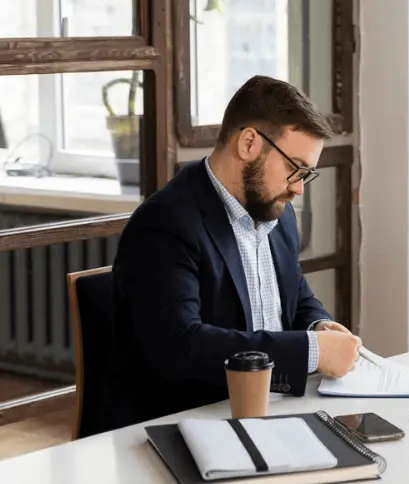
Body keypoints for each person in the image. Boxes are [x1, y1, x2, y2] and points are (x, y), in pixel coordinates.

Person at [105, 75, 361, 430]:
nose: (299, 189)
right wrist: (313, 351)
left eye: (307, 174)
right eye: (294, 168)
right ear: (249, 143)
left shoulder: (276, 209)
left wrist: (318, 325)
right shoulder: (165, 223)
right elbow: (179, 346)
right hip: (188, 428)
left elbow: (295, 294)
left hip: (273, 416)